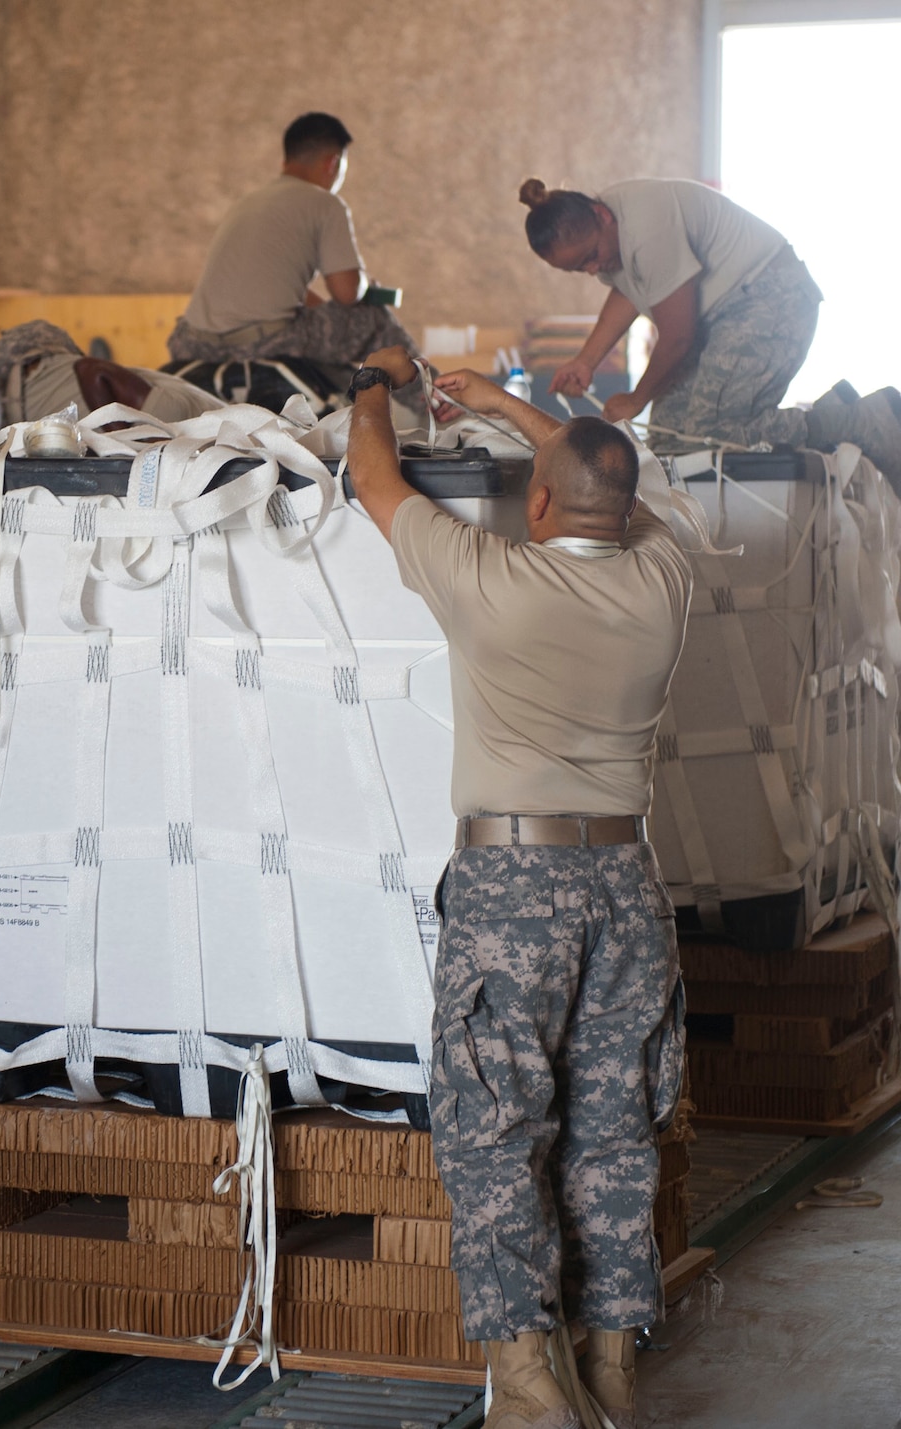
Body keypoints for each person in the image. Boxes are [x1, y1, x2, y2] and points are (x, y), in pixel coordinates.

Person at [344, 347, 692, 1429]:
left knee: (493, 1134)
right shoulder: (663, 577)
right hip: (626, 887)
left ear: (533, 502)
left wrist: (371, 382)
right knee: (612, 1131)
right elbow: (596, 471)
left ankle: (530, 1390)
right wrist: (501, 401)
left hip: (509, 886)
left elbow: (371, 477)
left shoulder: (491, 580)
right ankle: (611, 1372)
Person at [518, 176, 901, 470]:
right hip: (724, 317)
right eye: (578, 268)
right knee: (669, 435)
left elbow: (678, 337)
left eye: (591, 256)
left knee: (710, 429)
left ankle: (860, 420)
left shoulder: (647, 223)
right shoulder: (609, 230)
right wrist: (586, 360)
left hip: (770, 297)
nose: (592, 269)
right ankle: (836, 409)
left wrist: (637, 399)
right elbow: (628, 290)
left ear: (600, 216)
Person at [166, 112, 417, 369]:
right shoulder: (325, 203)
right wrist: (365, 285)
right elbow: (347, 293)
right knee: (374, 318)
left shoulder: (248, 203)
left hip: (193, 345)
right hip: (261, 345)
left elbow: (272, 287)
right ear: (333, 163)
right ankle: (431, 401)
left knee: (318, 322)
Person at [0, 319, 226, 445]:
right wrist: (115, 433)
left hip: (42, 353)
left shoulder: (219, 417)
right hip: (15, 381)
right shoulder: (178, 413)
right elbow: (94, 372)